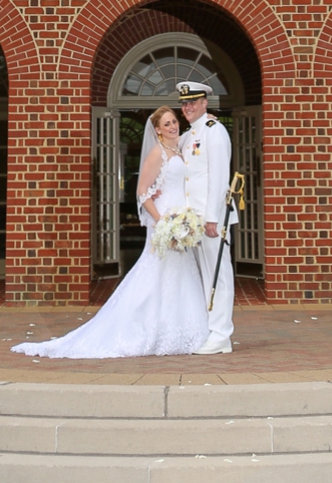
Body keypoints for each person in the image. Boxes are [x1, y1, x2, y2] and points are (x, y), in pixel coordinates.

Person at [11, 105, 209, 360]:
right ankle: (140, 327)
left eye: (174, 122)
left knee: (180, 275)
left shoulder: (179, 147)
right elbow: (142, 192)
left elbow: (196, 136)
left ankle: (182, 330)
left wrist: (205, 119)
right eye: (167, 124)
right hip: (164, 223)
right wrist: (163, 223)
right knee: (157, 274)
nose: (173, 126)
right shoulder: (156, 154)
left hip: (181, 222)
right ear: (158, 130)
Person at [177, 81, 235, 355]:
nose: (187, 107)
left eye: (193, 102)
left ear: (205, 103)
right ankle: (209, 329)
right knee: (203, 277)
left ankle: (222, 334)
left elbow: (220, 176)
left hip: (211, 219)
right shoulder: (188, 136)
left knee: (218, 276)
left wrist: (213, 217)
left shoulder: (215, 131)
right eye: (184, 103)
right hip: (193, 219)